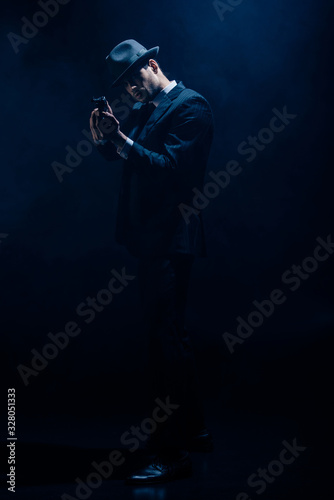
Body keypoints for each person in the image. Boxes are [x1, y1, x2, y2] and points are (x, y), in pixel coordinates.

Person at [89, 39, 214, 485]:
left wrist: (121, 140)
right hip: (152, 241)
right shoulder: (150, 110)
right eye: (121, 86)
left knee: (166, 345)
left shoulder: (191, 106)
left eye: (132, 80)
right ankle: (194, 432)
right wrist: (107, 139)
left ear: (152, 65)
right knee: (171, 339)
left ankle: (172, 452)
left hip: (169, 241)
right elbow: (133, 161)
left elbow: (171, 170)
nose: (129, 91)